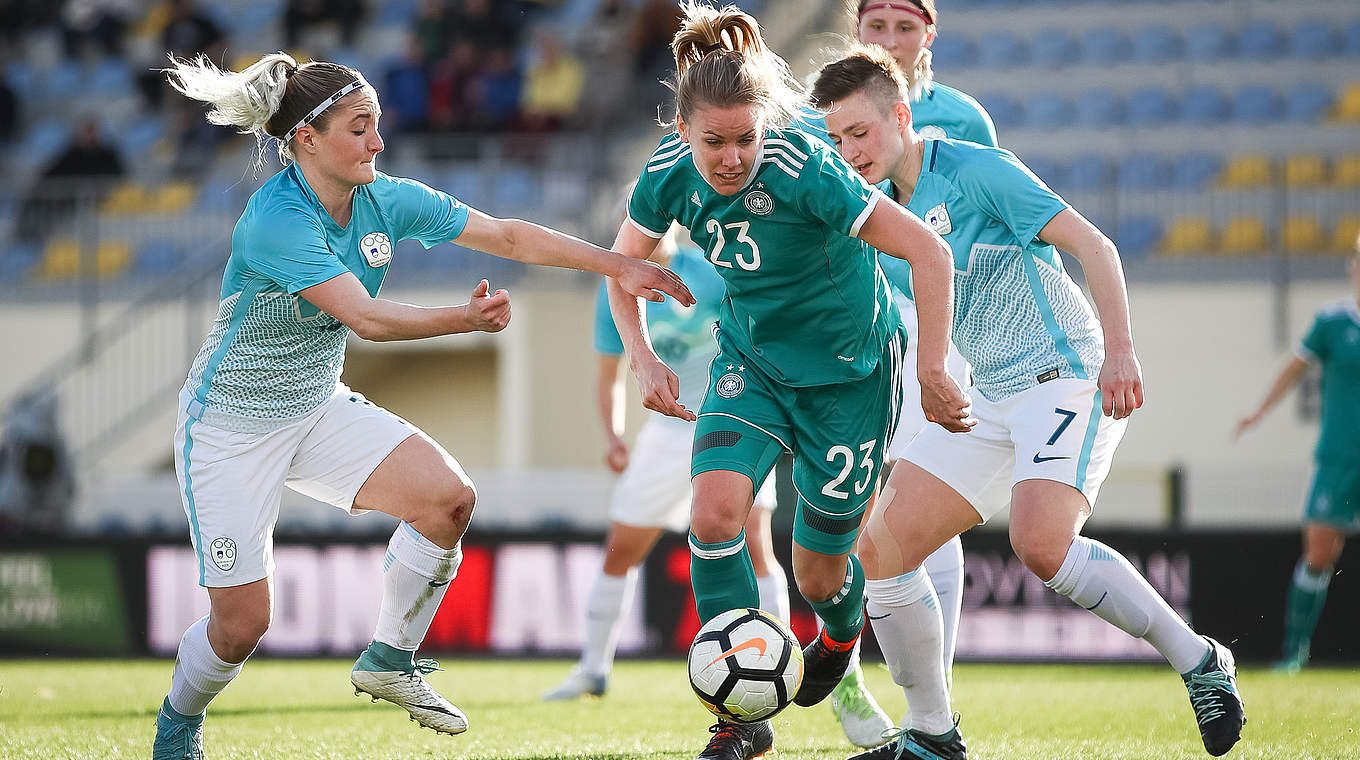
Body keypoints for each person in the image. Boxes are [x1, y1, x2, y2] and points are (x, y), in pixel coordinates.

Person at [150, 52, 694, 760]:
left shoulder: (384, 197)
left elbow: (506, 234)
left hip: (313, 407)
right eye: (360, 127)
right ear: (307, 140)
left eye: (377, 124)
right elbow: (366, 319)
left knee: (448, 500)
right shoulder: (275, 220)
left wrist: (618, 263)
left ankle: (388, 659)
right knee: (242, 624)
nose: (378, 142)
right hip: (229, 425)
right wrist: (463, 322)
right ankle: (176, 729)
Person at [810, 46, 1245, 760]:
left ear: (901, 116)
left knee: (1040, 544)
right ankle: (932, 735)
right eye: (836, 139)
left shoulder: (974, 169)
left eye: (859, 133)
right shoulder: (878, 213)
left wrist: (1121, 350)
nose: (848, 151)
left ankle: (1200, 660)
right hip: (993, 397)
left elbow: (1093, 244)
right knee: (879, 552)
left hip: (1064, 373)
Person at [608, 5, 969, 759]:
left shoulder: (809, 166)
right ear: (682, 132)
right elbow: (623, 269)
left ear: (766, 126)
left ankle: (839, 634)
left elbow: (930, 255)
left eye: (747, 137)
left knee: (818, 571)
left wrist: (932, 368)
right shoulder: (667, 178)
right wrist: (642, 357)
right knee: (713, 518)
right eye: (714, 141)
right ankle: (740, 721)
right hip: (752, 365)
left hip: (850, 379)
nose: (733, 157)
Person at [806, 1, 997, 744]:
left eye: (904, 26)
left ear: (929, 35)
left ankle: (932, 714)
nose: (889, 38)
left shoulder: (964, 119)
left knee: (921, 499)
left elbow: (984, 217)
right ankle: (849, 680)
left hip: (929, 320)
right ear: (858, 32)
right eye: (875, 24)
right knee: (840, 512)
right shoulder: (828, 113)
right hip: (847, 323)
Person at [543, 225, 790, 701]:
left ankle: (774, 661)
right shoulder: (614, 287)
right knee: (622, 548)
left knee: (757, 544)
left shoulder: (711, 272)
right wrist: (614, 436)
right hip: (666, 435)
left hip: (731, 422)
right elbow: (608, 374)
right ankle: (593, 668)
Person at [1235, 235, 1360, 673]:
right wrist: (1258, 413)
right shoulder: (1333, 322)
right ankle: (1295, 652)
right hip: (1339, 456)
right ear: (1352, 267)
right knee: (1319, 553)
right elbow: (1293, 368)